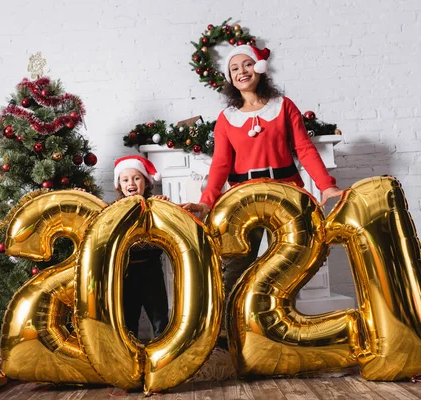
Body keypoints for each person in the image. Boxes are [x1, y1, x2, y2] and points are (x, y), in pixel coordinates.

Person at [181, 45, 343, 300]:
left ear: (259, 68)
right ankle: (225, 330)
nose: (241, 72)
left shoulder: (284, 106)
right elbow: (221, 164)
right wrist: (205, 202)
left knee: (292, 260)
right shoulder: (227, 118)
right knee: (236, 263)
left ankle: (283, 323)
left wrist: (327, 186)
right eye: (234, 68)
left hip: (286, 192)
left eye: (247, 64)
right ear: (230, 78)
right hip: (243, 197)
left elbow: (305, 149)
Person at [113, 155, 170, 339]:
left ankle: (164, 357)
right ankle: (131, 358)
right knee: (128, 319)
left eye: (137, 178)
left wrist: (163, 206)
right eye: (126, 179)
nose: (131, 183)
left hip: (151, 268)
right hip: (126, 271)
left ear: (146, 182)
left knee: (159, 317)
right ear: (120, 186)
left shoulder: (155, 205)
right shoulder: (114, 209)